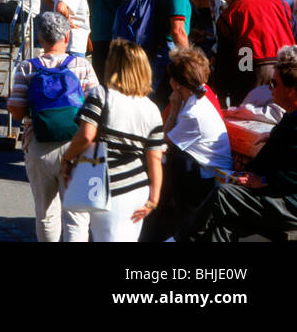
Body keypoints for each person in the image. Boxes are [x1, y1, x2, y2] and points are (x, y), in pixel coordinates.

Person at [176, 55, 297, 241]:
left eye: (274, 83)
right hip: (276, 191)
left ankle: (178, 240)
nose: (269, 88)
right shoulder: (290, 117)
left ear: (292, 92)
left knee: (222, 195)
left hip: (288, 203)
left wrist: (265, 180)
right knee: (225, 221)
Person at [6, 11, 100, 242]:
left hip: (39, 144)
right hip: (77, 144)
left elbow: (16, 110)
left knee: (46, 213)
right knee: (77, 215)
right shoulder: (82, 65)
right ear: (67, 37)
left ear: (40, 38)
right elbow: (97, 106)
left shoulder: (27, 68)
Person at [59, 39, 165, 242]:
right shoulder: (152, 109)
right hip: (137, 188)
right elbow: (154, 159)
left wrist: (67, 158)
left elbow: (86, 135)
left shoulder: (102, 95)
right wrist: (154, 197)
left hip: (102, 181)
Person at [142, 46, 232, 241]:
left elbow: (163, 141)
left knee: (162, 166)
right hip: (202, 170)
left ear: (175, 83)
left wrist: (173, 108)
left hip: (210, 177)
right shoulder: (193, 100)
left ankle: (154, 232)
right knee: (166, 164)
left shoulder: (193, 112)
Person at [214, 0, 297, 107]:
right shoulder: (280, 3)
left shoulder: (229, 14)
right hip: (286, 63)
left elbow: (224, 58)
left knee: (246, 111)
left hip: (250, 66)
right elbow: (293, 31)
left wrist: (222, 93)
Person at [148, 0, 196, 104]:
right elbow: (177, 30)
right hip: (168, 51)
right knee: (168, 99)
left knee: (151, 97)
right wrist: (190, 60)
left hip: (151, 47)